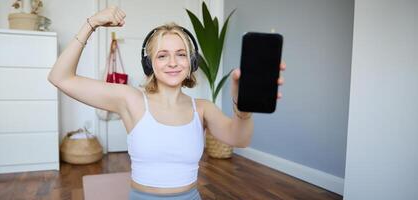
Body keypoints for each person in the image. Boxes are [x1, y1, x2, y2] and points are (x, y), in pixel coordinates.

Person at [48, 6, 286, 200]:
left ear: (191, 62)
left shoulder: (202, 108)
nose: (173, 62)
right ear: (149, 64)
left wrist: (243, 107)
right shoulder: (130, 99)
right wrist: (92, 23)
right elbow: (60, 77)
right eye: (162, 55)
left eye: (181, 54)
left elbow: (240, 139)